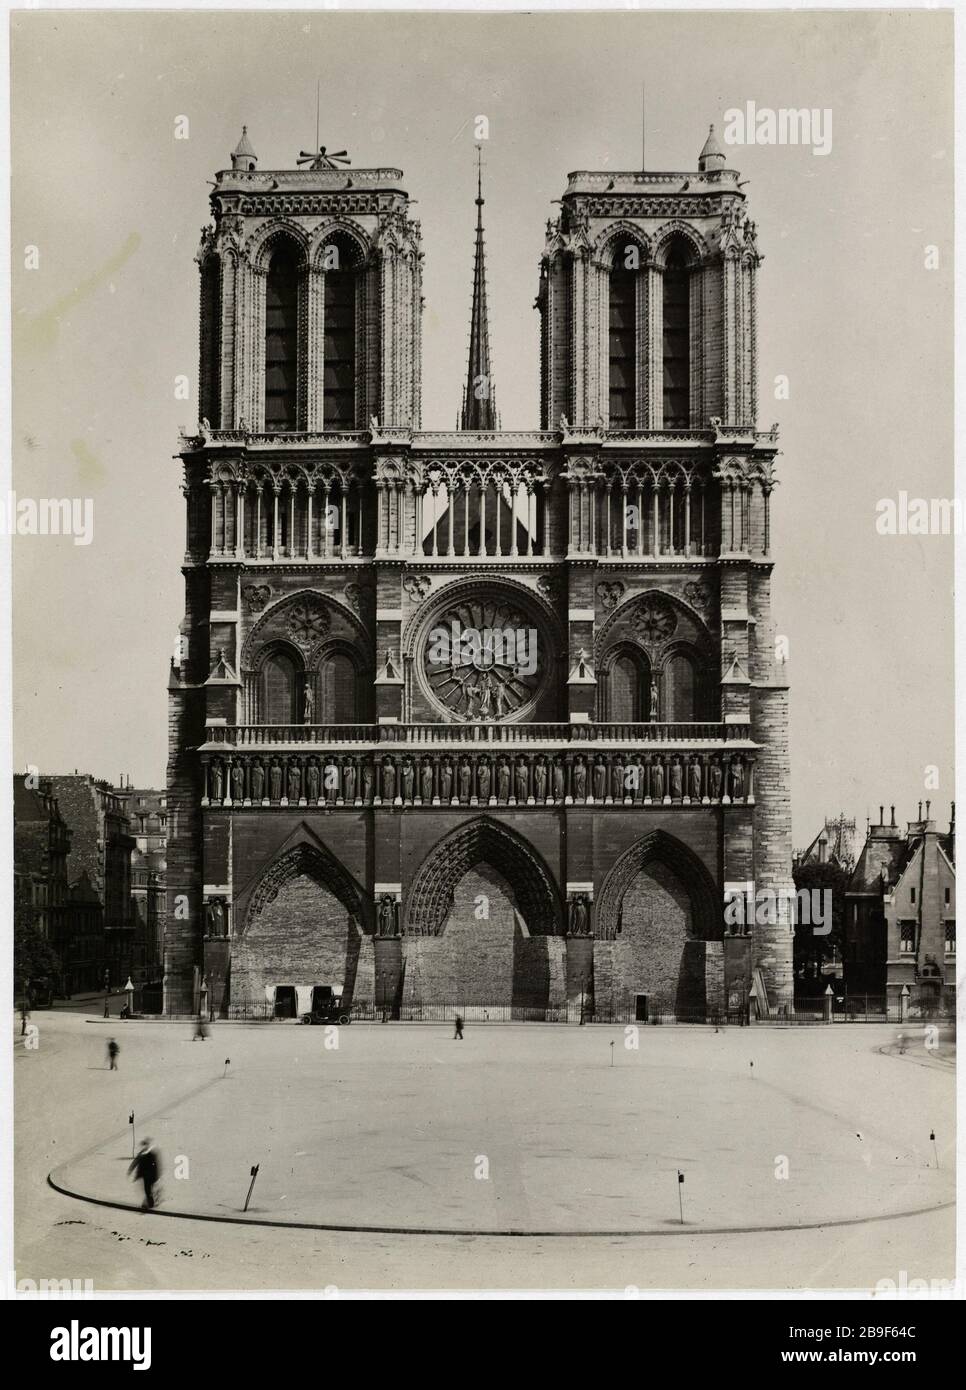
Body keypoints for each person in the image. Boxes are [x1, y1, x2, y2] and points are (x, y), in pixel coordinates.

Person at [128, 1139, 161, 1211]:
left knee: (147, 1190)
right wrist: (131, 1170)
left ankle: (150, 1203)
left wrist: (156, 1176)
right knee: (147, 1190)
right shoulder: (142, 1154)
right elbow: (136, 1162)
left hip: (150, 1176)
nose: (144, 1147)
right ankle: (151, 1202)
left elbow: (155, 1166)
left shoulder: (151, 1155)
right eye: (143, 1145)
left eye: (145, 1145)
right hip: (145, 1175)